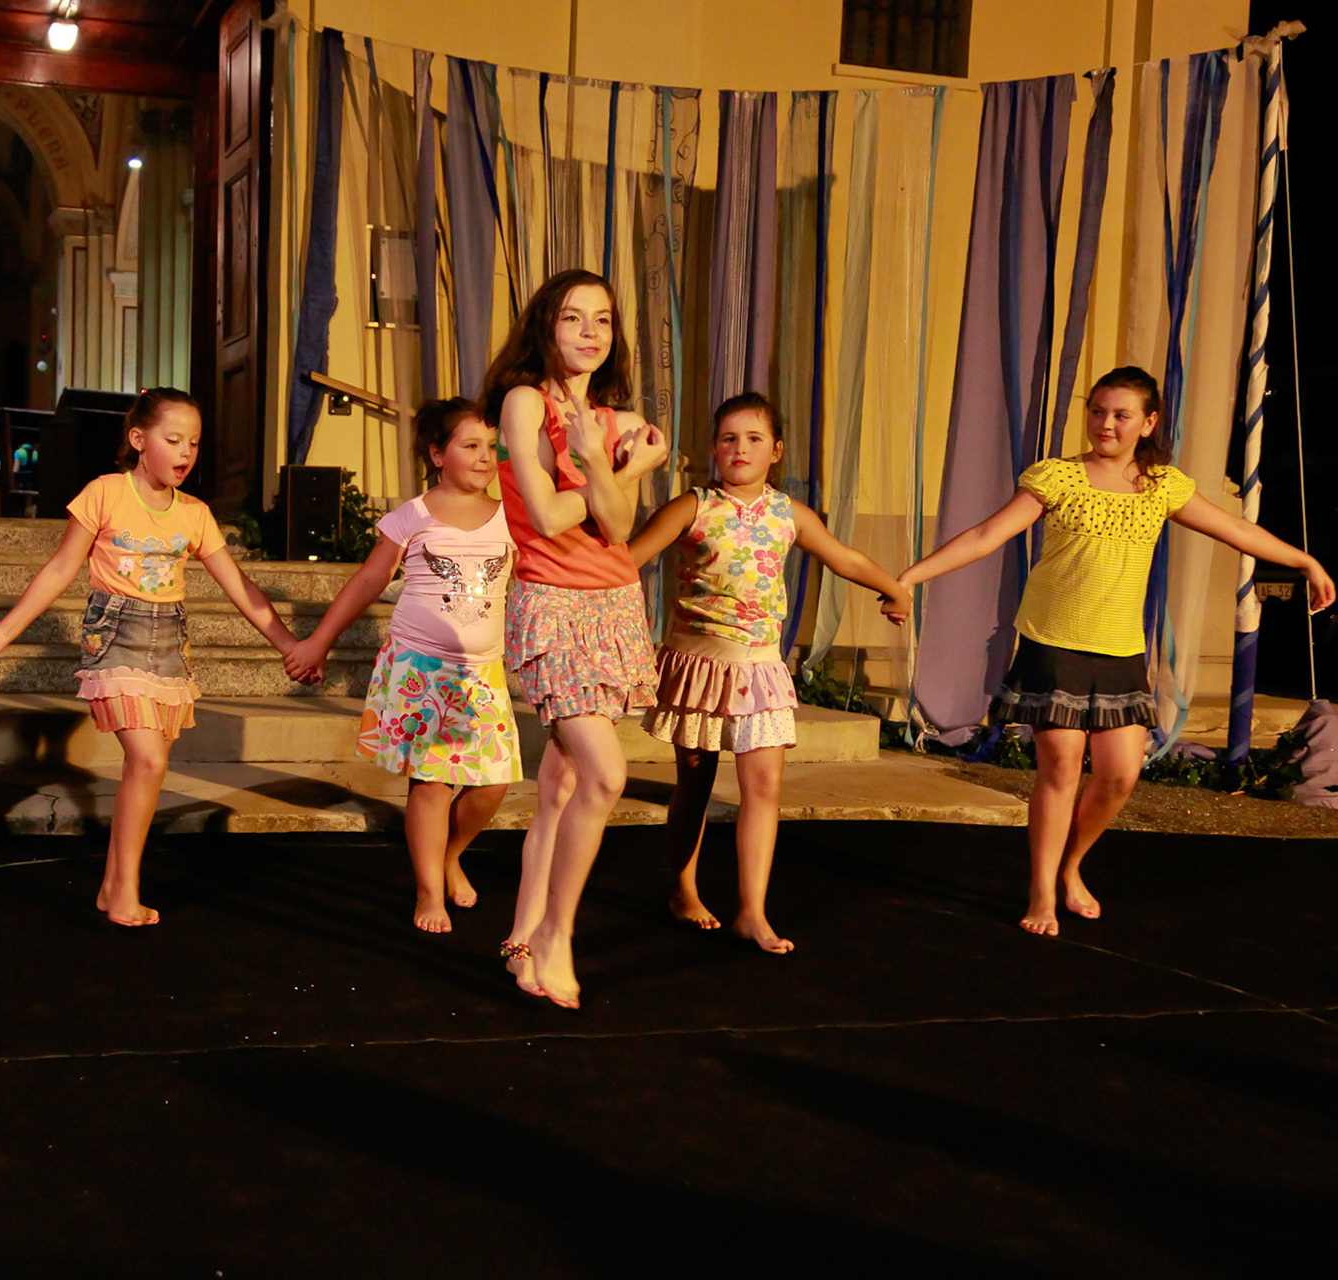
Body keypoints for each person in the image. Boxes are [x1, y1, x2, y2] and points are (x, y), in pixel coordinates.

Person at [899, 366, 1334, 935]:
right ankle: (1041, 893)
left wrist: (1305, 560)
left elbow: (1234, 529)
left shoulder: (1161, 486)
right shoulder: (1057, 478)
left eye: (1121, 414)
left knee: (1122, 775)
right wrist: (911, 577)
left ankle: (1071, 867)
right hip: (1054, 645)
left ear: (1147, 422)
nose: (1106, 423)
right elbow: (987, 535)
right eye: (1098, 410)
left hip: (1120, 651)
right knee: (1059, 769)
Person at [0, 388, 302, 926]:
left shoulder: (195, 514)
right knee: (148, 759)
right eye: (173, 440)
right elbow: (61, 568)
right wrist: (2, 633)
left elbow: (239, 587)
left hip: (168, 641)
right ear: (138, 439)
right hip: (115, 633)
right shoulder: (105, 493)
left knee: (148, 767)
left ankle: (114, 885)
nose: (185, 453)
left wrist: (292, 646)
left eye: (193, 443)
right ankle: (124, 887)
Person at [628, 392, 910, 953]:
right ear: (713, 448)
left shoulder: (788, 514)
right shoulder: (694, 506)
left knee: (764, 787)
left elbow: (844, 558)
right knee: (696, 781)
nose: (740, 449)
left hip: (758, 666)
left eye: (754, 439)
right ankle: (683, 889)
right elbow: (630, 557)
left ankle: (751, 911)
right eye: (729, 438)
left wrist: (893, 587)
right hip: (698, 664)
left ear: (775, 451)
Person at [485, 269, 669, 1009]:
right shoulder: (523, 401)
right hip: (551, 604)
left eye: (603, 319)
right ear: (545, 327)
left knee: (560, 787)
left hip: (613, 603)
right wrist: (611, 468)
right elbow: (551, 516)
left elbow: (620, 531)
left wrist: (620, 466)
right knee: (604, 776)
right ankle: (559, 935)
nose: (590, 332)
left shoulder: (614, 419)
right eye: (573, 317)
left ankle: (523, 937)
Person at [283, 399, 520, 932]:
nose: (484, 457)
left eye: (490, 446)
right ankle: (429, 889)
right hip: (420, 669)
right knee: (432, 784)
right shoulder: (413, 515)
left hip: (481, 673)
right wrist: (319, 640)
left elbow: (526, 582)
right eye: (469, 446)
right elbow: (368, 581)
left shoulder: (512, 516)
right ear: (438, 454)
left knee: (491, 786)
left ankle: (451, 853)